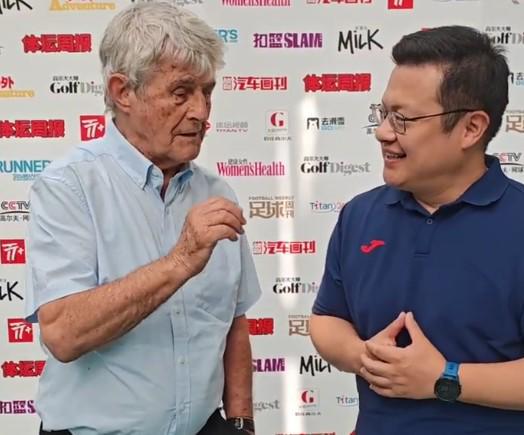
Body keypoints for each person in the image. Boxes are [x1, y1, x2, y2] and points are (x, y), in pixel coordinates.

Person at [25, 2, 261, 434]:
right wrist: (180, 261)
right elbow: (63, 334)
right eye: (181, 92)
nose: (201, 111)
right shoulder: (68, 186)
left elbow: (233, 322)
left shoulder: (216, 192)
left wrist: (242, 422)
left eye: (207, 92)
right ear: (123, 92)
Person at [310, 25, 524, 434]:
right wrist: (362, 356)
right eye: (383, 114)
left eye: (403, 119)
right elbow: (327, 319)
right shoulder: (360, 215)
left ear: (471, 128)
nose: (383, 132)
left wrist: (444, 379)